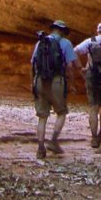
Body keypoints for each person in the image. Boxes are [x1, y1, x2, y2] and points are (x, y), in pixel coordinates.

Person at [30, 19, 78, 159]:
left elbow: (32, 64)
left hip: (39, 80)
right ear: (62, 31)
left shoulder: (41, 42)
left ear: (53, 29)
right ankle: (53, 141)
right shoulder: (65, 43)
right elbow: (69, 66)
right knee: (61, 112)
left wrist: (32, 83)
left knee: (42, 117)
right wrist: (72, 84)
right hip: (57, 81)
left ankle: (40, 148)